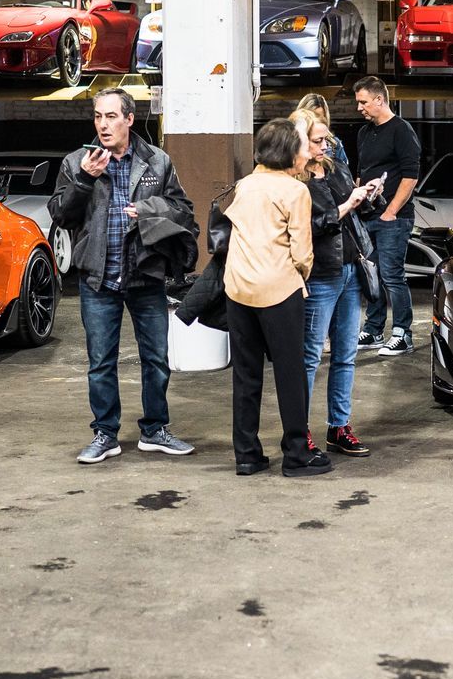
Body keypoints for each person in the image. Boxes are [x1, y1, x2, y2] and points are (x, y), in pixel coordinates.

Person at [48, 87, 197, 464]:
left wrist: (147, 208)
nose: (103, 124)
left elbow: (183, 209)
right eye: (98, 116)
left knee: (156, 359)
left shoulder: (156, 162)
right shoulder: (77, 161)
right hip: (98, 278)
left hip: (144, 275)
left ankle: (154, 430)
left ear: (129, 119)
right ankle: (105, 434)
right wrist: (84, 180)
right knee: (100, 361)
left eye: (111, 116)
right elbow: (61, 216)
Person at [223, 117, 327, 477]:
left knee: (246, 375)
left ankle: (247, 455)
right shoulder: (296, 191)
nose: (306, 153)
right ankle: (296, 455)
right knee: (290, 373)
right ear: (289, 152)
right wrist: (302, 277)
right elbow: (302, 252)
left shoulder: (245, 185)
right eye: (301, 146)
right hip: (279, 291)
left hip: (237, 289)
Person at [293, 107, 377, 458]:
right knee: (310, 358)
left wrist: (368, 196)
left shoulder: (335, 169)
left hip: (350, 271)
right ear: (300, 141)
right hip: (321, 276)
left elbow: (359, 213)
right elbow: (310, 227)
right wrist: (346, 206)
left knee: (346, 355)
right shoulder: (293, 182)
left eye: (326, 138)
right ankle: (300, 433)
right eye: (317, 140)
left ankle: (339, 427)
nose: (324, 145)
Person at [353, 76, 421, 356]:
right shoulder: (364, 133)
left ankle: (402, 334)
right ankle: (374, 329)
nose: (359, 108)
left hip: (394, 218)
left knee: (392, 275)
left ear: (379, 100)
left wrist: (391, 212)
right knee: (371, 275)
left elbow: (411, 176)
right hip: (367, 217)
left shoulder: (401, 130)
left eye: (363, 102)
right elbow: (362, 172)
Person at [297, 93, 350, 169]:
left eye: (319, 117)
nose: (315, 121)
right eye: (311, 116)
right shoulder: (291, 144)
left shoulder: (334, 144)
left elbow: (344, 173)